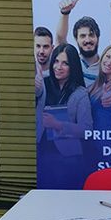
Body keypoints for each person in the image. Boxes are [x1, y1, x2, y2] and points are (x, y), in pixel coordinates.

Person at [36, 43, 92, 188]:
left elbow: (87, 130)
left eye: (65, 63)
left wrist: (58, 125)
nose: (58, 67)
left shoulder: (80, 93)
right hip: (41, 153)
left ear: (73, 66)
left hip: (67, 157)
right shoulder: (43, 85)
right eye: (56, 61)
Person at [55, 0, 102, 87]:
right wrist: (65, 13)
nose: (87, 40)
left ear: (98, 37)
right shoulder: (71, 61)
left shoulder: (106, 66)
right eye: (83, 36)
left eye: (91, 35)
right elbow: (60, 39)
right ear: (76, 39)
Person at [34, 27, 53, 96]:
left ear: (52, 48)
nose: (41, 51)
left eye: (45, 47)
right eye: (38, 46)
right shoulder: (27, 72)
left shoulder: (58, 73)